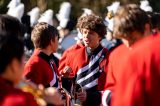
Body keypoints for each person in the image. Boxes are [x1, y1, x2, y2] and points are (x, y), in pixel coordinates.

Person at [102, 4, 151, 105]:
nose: (128, 44)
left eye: (133, 39)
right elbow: (111, 86)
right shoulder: (116, 55)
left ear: (146, 29)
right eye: (124, 39)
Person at [59, 14, 109, 106]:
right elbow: (69, 91)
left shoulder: (109, 57)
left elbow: (112, 90)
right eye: (85, 32)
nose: (86, 36)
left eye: (91, 33)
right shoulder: (73, 55)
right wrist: (65, 78)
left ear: (100, 36)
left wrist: (90, 96)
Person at [23, 22, 59, 88]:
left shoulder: (49, 59)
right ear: (51, 41)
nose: (58, 42)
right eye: (57, 39)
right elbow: (28, 93)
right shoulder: (34, 64)